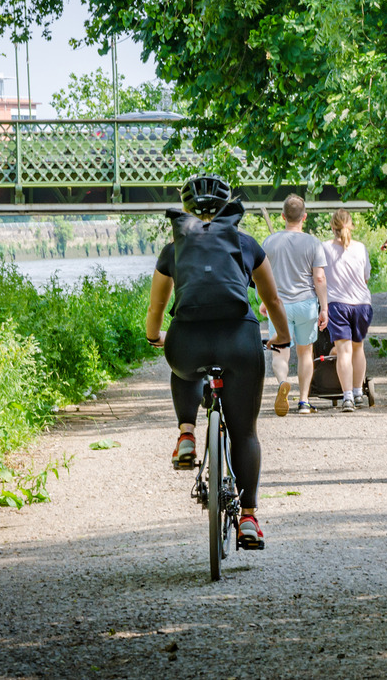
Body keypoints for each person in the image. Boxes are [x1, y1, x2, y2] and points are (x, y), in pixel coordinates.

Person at [144, 175, 292, 549]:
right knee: (245, 433)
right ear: (229, 207)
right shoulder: (246, 244)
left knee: (182, 363)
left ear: (188, 210)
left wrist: (153, 336)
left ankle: (187, 433)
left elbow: (157, 307)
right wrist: (283, 337)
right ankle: (248, 518)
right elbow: (273, 301)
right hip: (239, 343)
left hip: (188, 341)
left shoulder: (172, 249)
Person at [260, 195, 329, 416]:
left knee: (280, 352)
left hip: (278, 305)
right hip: (306, 304)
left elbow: (264, 278)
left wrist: (264, 302)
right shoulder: (313, 243)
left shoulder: (270, 242)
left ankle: (282, 383)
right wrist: (324, 308)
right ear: (304, 217)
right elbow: (319, 278)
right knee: (305, 352)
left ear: (283, 216)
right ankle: (304, 401)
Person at [321, 209, 373, 412]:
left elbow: (320, 277)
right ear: (350, 225)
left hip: (337, 304)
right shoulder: (360, 248)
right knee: (358, 348)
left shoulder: (324, 248)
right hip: (362, 304)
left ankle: (348, 397)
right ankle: (359, 392)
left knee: (344, 351)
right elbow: (366, 277)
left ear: (332, 227)